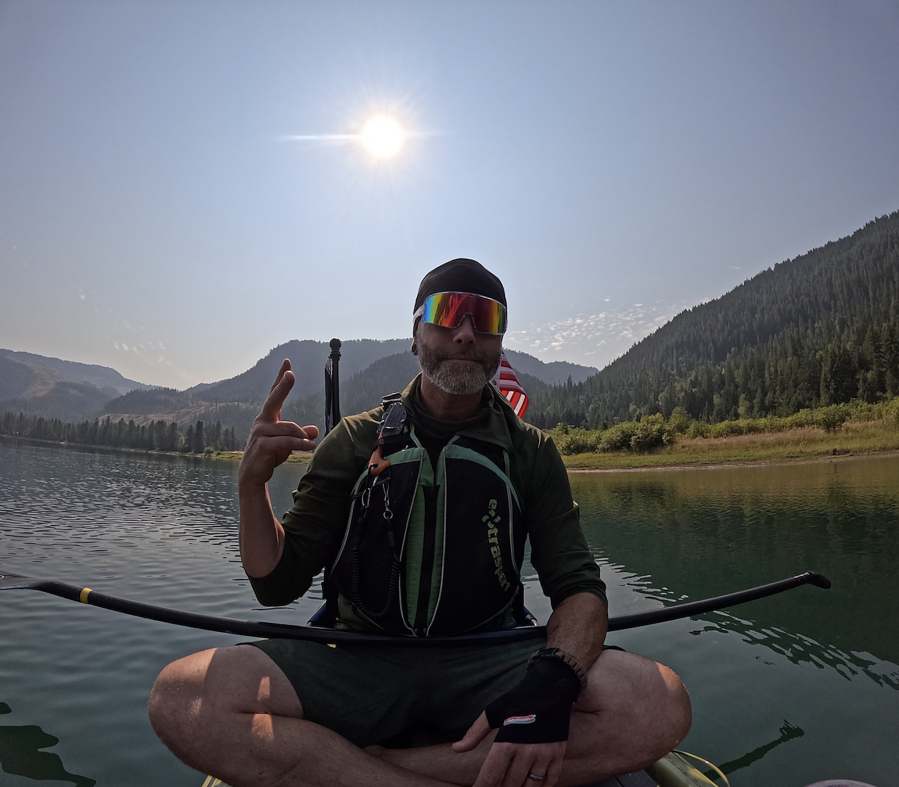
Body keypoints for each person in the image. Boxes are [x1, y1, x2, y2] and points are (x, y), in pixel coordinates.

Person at [148, 258, 691, 787]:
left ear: (500, 343)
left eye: (487, 319)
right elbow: (276, 584)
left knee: (655, 703)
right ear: (415, 334)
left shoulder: (531, 453)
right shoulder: (355, 442)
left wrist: (553, 680)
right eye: (448, 311)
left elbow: (579, 590)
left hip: (487, 658)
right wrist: (251, 487)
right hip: (359, 660)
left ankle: (377, 768)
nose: (465, 333)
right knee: (181, 698)